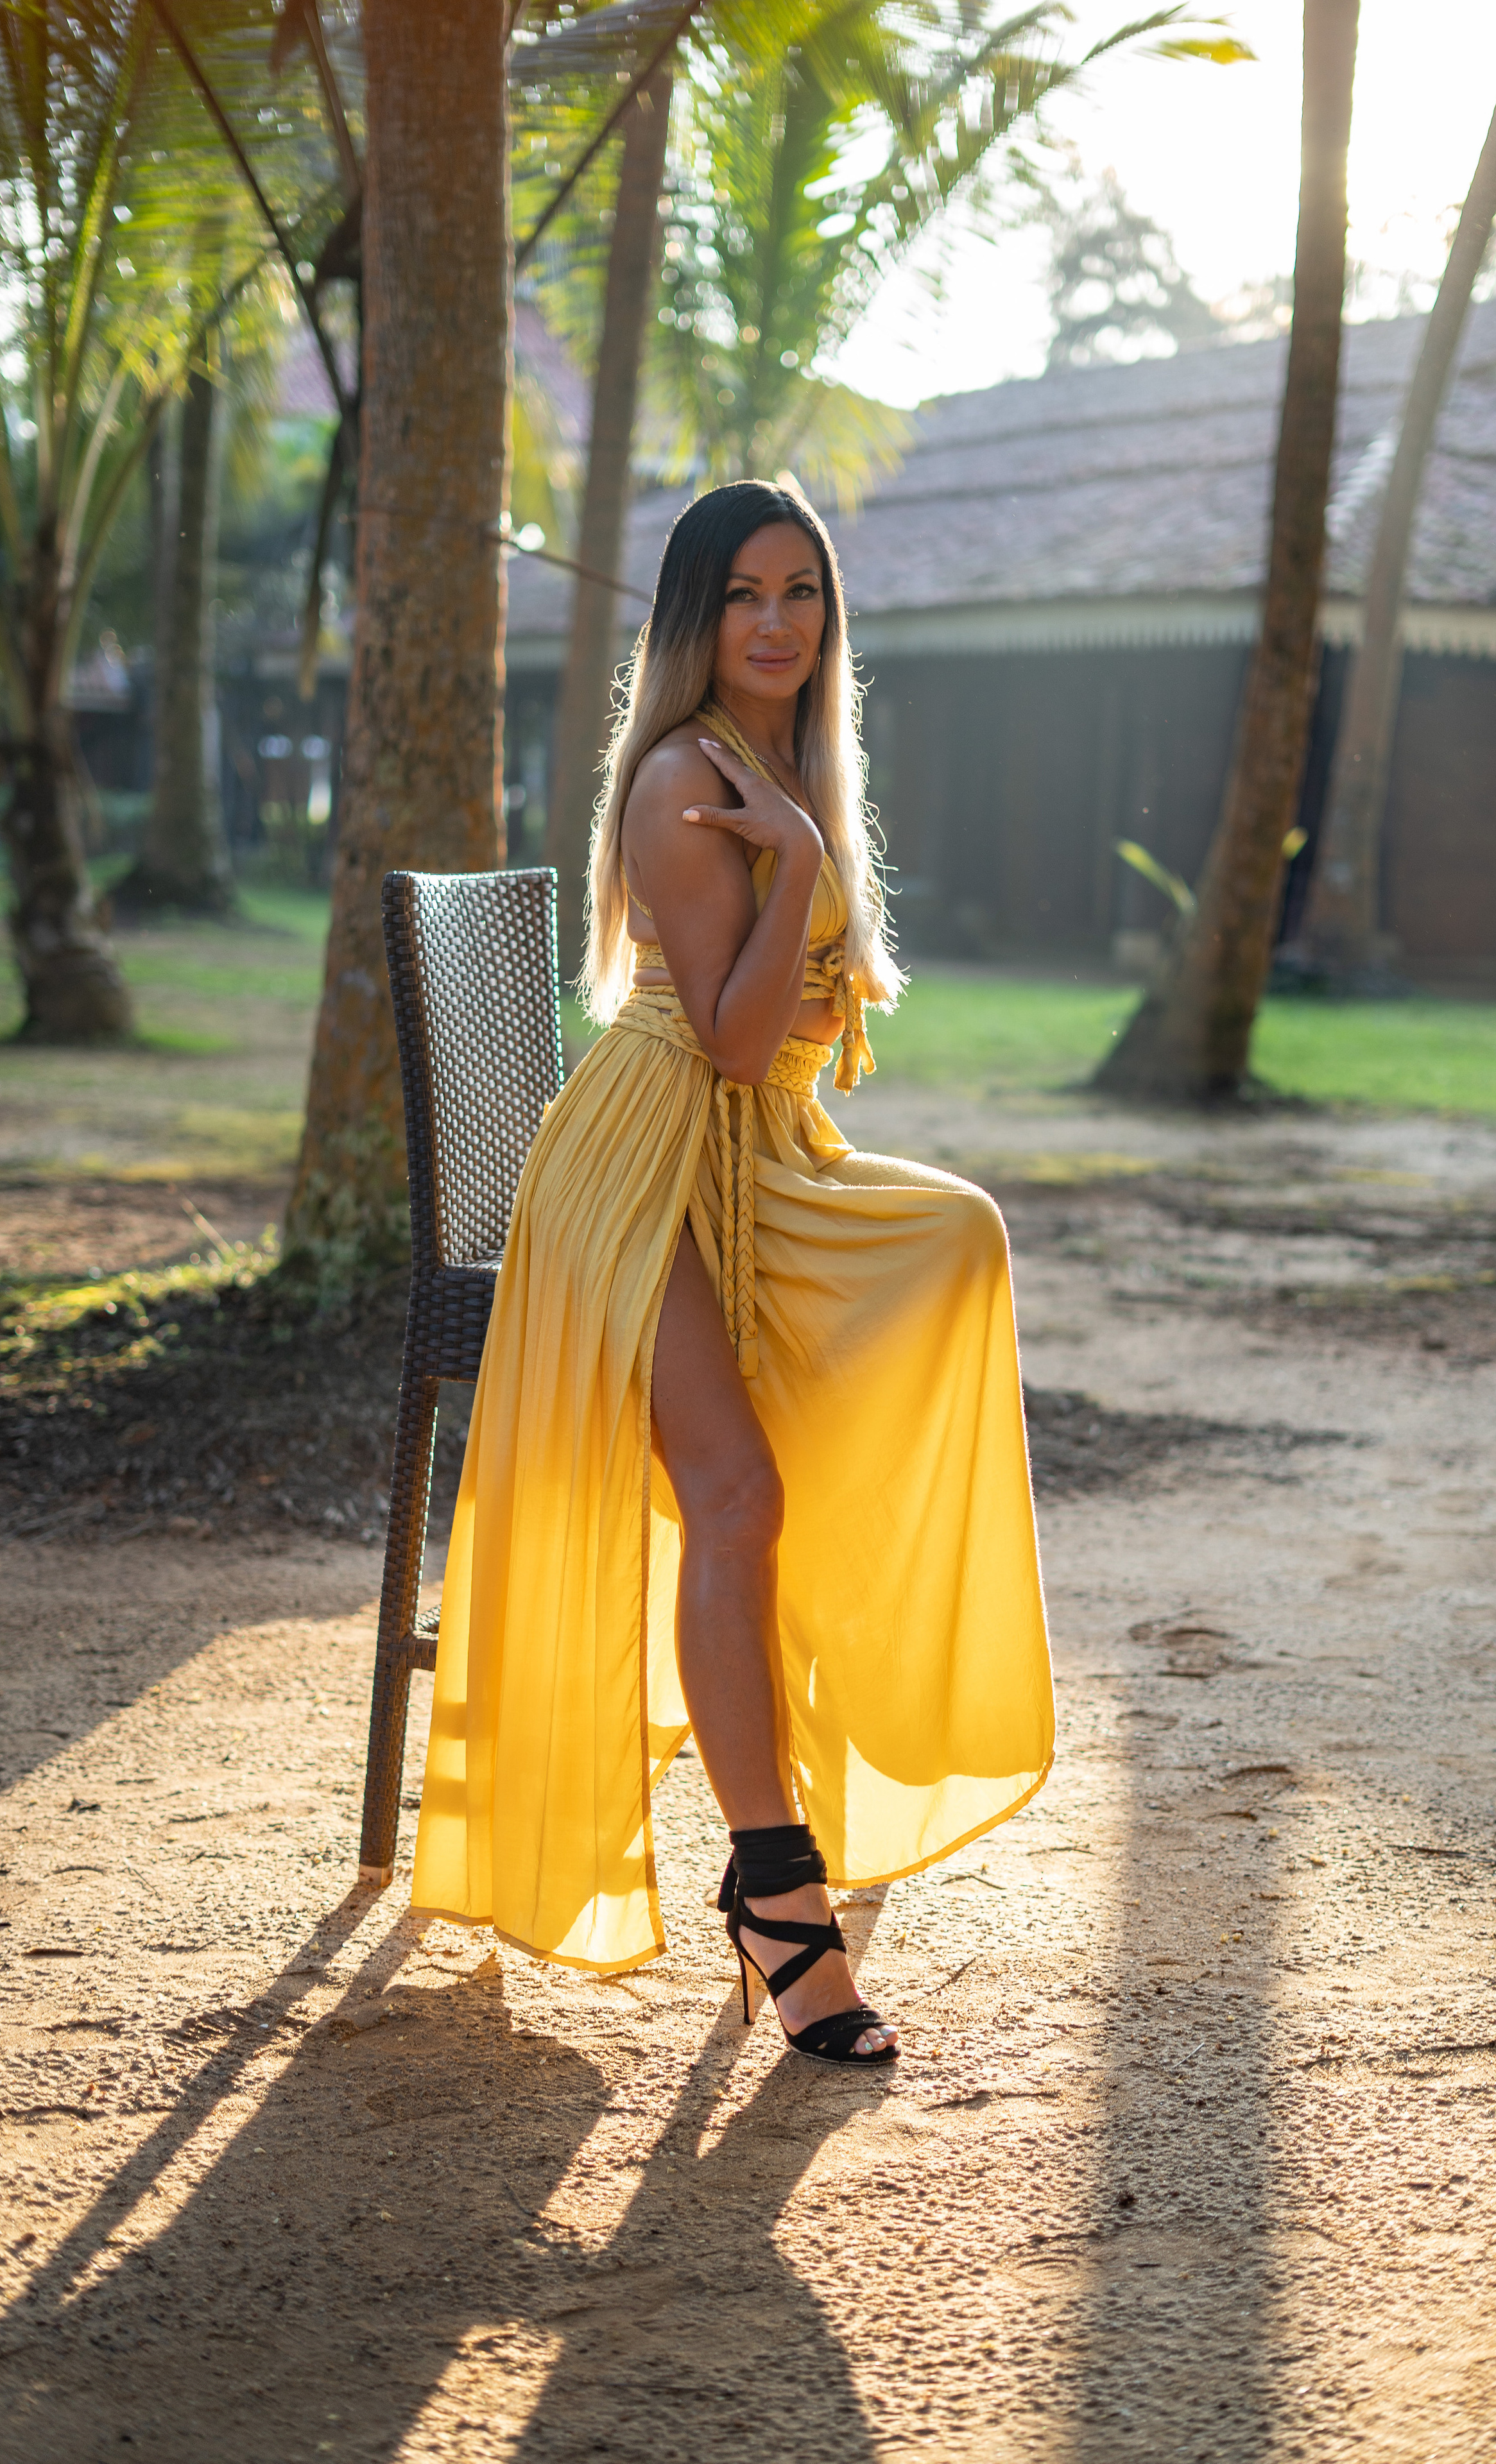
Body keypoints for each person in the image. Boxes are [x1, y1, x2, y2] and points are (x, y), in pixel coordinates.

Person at [411, 479, 1053, 2066]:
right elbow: (736, 1037)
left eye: (802, 594)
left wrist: (811, 853)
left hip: (760, 1162)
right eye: (743, 597)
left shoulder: (782, 774)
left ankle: (813, 1734)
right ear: (691, 621)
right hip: (637, 1174)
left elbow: (804, 1059)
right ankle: (775, 1893)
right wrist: (802, 870)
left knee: (956, 1237)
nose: (776, 624)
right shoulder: (686, 785)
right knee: (741, 1497)